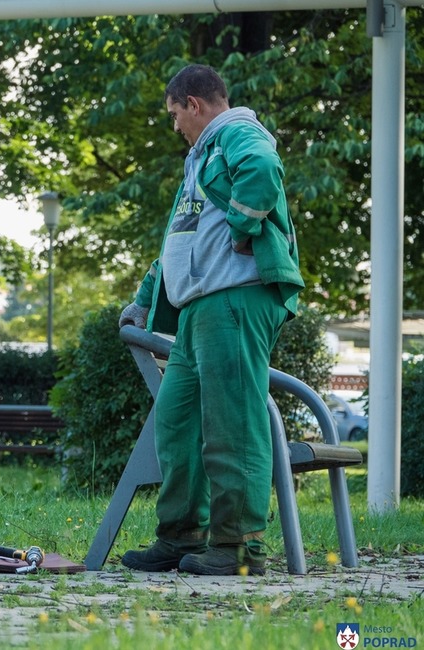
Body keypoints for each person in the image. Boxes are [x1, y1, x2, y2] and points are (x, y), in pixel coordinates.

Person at [118, 64, 304, 576]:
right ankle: (182, 535)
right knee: (176, 424)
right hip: (200, 310)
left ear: (193, 104)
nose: (175, 125)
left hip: (235, 299)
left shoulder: (237, 133)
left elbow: (263, 169)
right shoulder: (199, 159)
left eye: (175, 114)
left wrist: (245, 223)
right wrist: (143, 299)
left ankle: (238, 547)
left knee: (233, 426)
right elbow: (181, 240)